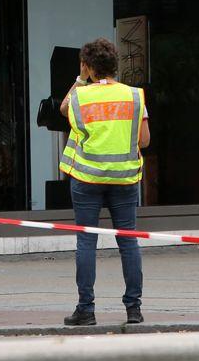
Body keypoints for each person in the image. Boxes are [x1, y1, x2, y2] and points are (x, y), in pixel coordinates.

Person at [59, 38, 151, 327]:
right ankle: (133, 310)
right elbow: (145, 140)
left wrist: (80, 78)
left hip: (87, 179)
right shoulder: (134, 96)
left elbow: (63, 108)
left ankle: (86, 310)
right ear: (115, 65)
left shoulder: (80, 97)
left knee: (86, 241)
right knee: (128, 240)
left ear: (87, 67)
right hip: (124, 179)